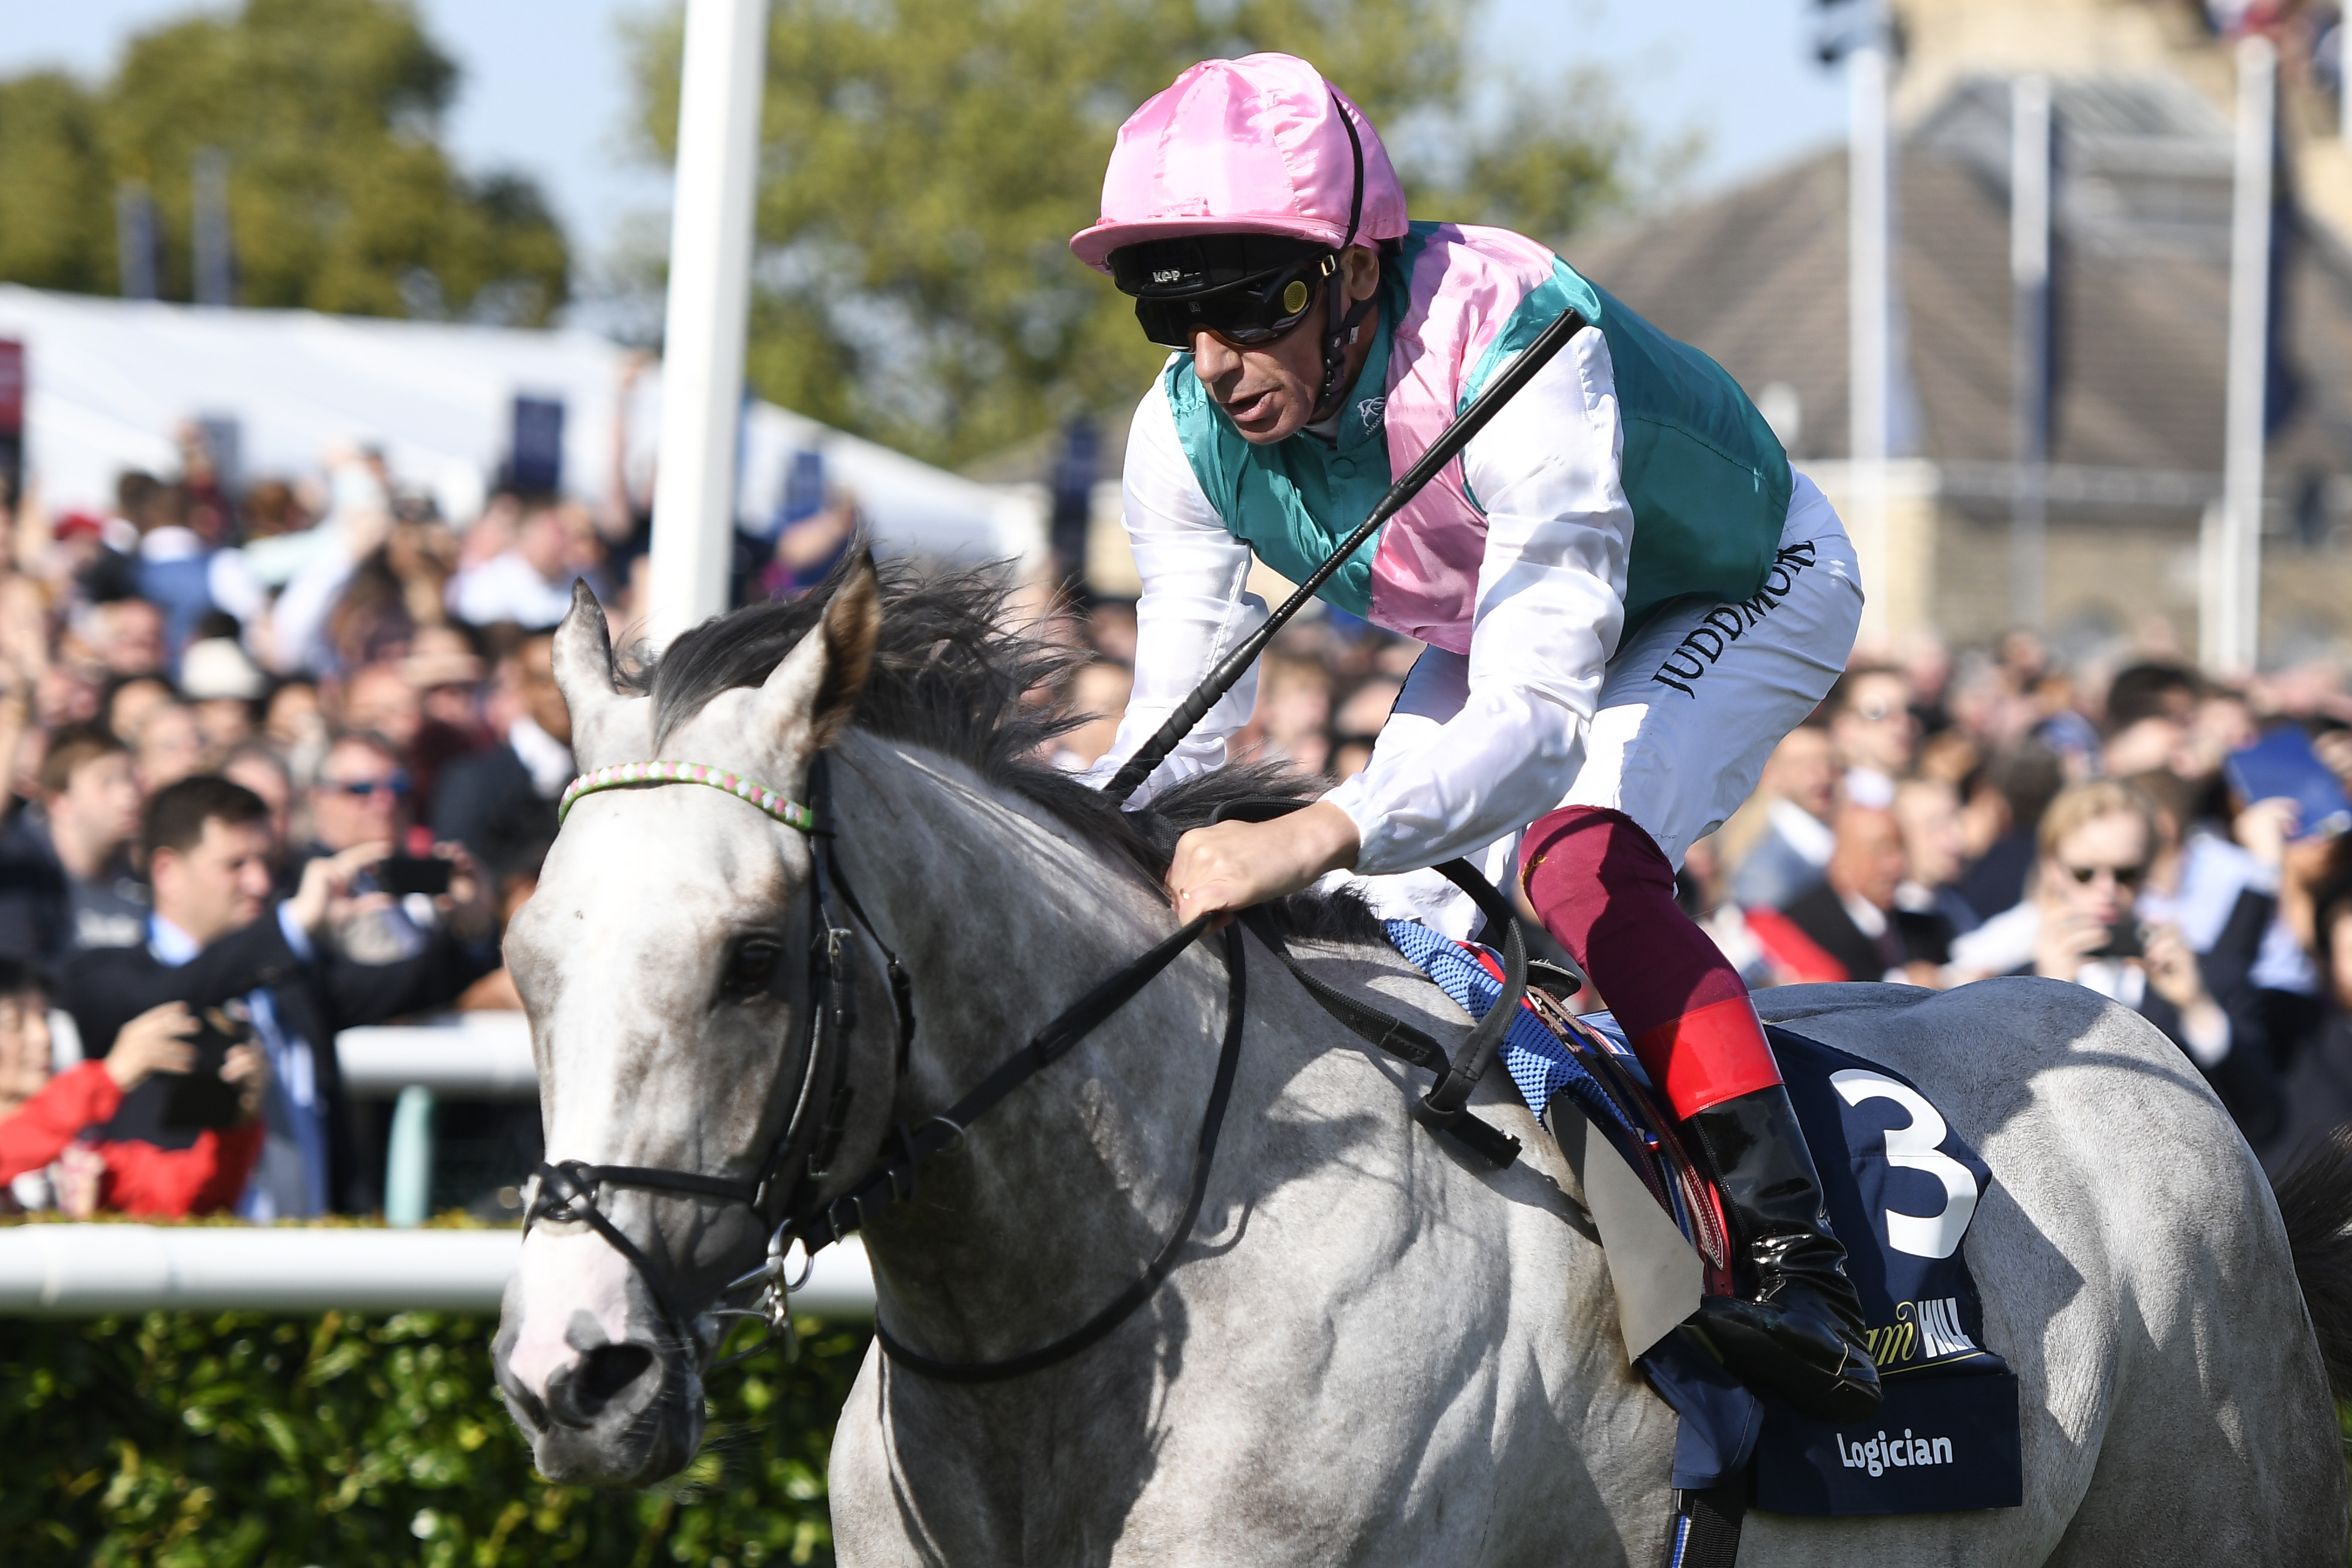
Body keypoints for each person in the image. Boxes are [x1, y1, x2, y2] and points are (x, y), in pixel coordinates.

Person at [1073, 55, 1874, 1421]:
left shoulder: (1514, 338)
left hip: (1742, 576)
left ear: (1357, 275)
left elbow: (1539, 725)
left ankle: (1803, 1258)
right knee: (1399, 911)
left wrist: (1314, 824)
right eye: (1173, 310)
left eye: (1252, 304)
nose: (1215, 357)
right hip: (1504, 619)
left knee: (1569, 859)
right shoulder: (1178, 434)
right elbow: (1180, 723)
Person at [63, 775, 496, 1218]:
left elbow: (413, 985)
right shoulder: (104, 975)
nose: (260, 881)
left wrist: (471, 929)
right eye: (235, 864)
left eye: (265, 861)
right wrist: (292, 926)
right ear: (167, 871)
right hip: (179, 1265)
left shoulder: (290, 973)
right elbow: (179, 992)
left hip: (312, 1259)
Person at [0, 955, 266, 1215]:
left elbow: (192, 1199)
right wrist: (109, 1076)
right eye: (14, 1024)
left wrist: (233, 1117)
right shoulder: (36, 1144)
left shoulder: (77, 1161)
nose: (43, 1037)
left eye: (45, 1018)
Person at [0, 724, 148, 961]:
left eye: (131, 779)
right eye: (108, 782)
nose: (129, 795)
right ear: (61, 802)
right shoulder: (21, 879)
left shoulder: (136, 880)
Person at [1728, 723, 1839, 911]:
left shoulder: (1833, 835)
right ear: (1770, 773)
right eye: (1803, 764)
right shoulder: (1764, 866)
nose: (1822, 775)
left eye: (1830, 762)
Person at [1826, 665, 1916, 810]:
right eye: (1879, 712)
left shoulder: (1922, 798)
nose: (1903, 723)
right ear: (1845, 727)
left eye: (1911, 710)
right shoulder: (1833, 807)